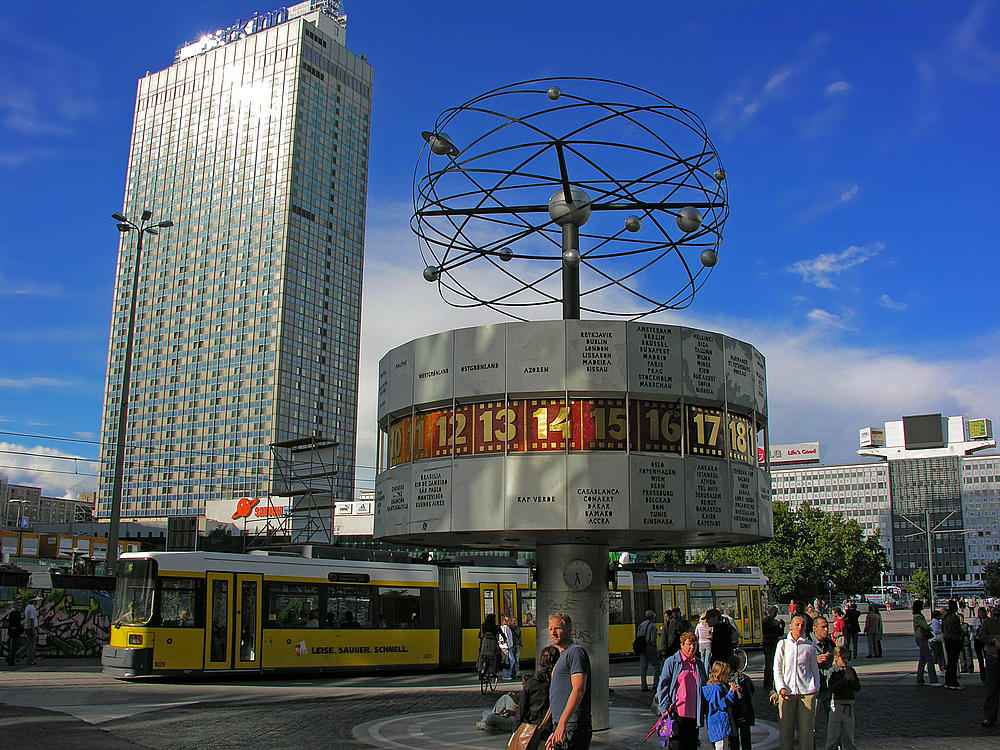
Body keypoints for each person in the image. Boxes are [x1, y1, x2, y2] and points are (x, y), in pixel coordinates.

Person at [773, 614, 821, 750]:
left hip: (806, 693)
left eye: (802, 625)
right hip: (787, 693)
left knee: (807, 731)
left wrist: (815, 687)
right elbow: (777, 668)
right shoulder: (782, 644)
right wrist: (780, 687)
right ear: (791, 626)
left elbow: (814, 669)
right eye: (797, 624)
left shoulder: (809, 646)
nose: (800, 627)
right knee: (786, 730)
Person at [546, 612, 591, 750]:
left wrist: (562, 724)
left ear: (569, 630)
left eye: (557, 628)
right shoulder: (562, 656)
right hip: (563, 725)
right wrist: (554, 728)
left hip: (572, 726)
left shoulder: (575, 652)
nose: (553, 632)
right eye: (550, 628)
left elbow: (578, 689)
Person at [657, 631, 709, 750]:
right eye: (689, 644)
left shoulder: (699, 664)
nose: (692, 647)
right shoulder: (672, 662)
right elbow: (663, 685)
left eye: (694, 644)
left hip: (694, 713)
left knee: (691, 745)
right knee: (676, 745)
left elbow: (704, 685)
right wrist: (664, 708)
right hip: (676, 713)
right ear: (682, 645)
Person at [825, 647, 861, 750]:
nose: (845, 660)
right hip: (836, 705)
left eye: (847, 658)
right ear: (836, 658)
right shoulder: (832, 671)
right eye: (843, 657)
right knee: (833, 734)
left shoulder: (850, 670)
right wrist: (844, 680)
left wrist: (852, 680)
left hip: (849, 705)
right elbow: (832, 688)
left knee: (849, 735)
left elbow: (857, 687)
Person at [701, 660, 739, 750]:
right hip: (720, 725)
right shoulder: (717, 689)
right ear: (720, 674)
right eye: (726, 674)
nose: (728, 676)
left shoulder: (713, 686)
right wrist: (731, 692)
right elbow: (723, 704)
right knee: (721, 747)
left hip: (715, 725)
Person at [729, 655, 756, 750]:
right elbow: (752, 691)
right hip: (745, 711)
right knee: (746, 738)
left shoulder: (727, 679)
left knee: (734, 738)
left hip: (733, 712)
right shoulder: (745, 678)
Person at [912, 600, 939, 686]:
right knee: (929, 659)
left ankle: (920, 678)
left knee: (923, 659)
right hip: (922, 637)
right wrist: (930, 627)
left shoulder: (916, 615)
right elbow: (925, 626)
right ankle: (933, 679)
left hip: (919, 637)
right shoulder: (918, 616)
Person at [982, 606, 1000, 728]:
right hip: (993, 656)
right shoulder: (987, 623)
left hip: (992, 657)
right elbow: (982, 636)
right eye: (996, 615)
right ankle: (989, 717)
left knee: (992, 690)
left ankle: (990, 717)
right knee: (992, 689)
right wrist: (993, 640)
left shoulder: (987, 622)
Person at [636, 609, 660, 692]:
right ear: (652, 617)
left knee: (643, 667)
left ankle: (643, 685)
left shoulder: (641, 625)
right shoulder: (653, 626)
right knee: (657, 666)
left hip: (642, 648)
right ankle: (655, 684)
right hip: (650, 647)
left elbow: (638, 636)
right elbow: (653, 639)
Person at [942, 600, 964, 690]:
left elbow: (943, 629)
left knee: (950, 662)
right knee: (953, 662)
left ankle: (948, 681)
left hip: (947, 639)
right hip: (954, 640)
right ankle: (953, 682)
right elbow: (957, 630)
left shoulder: (945, 617)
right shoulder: (954, 617)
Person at [762, 606, 785, 692]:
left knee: (769, 664)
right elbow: (780, 633)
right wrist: (782, 626)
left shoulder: (765, 620)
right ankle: (770, 682)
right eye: (775, 612)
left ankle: (767, 682)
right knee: (771, 664)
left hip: (768, 643)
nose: (776, 614)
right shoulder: (773, 622)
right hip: (771, 643)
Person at [479, 613, 501, 678]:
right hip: (492, 643)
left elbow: (481, 635)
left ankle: (480, 672)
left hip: (485, 643)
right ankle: (493, 672)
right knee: (494, 657)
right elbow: (501, 634)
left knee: (482, 657)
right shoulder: (496, 626)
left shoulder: (483, 625)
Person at [974, 606, 989, 681]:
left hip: (985, 641)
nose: (981, 614)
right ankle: (982, 676)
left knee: (988, 658)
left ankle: (988, 674)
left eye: (982, 612)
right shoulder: (977, 620)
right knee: (980, 660)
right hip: (978, 641)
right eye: (980, 612)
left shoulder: (988, 620)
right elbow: (975, 631)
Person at [23, 598, 39, 666]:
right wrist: (33, 630)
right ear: (34, 601)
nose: (38, 602)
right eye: (37, 601)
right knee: (32, 645)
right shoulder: (32, 608)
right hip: (31, 628)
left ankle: (28, 660)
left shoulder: (27, 607)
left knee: (29, 644)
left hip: (27, 627)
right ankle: (31, 660)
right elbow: (31, 619)